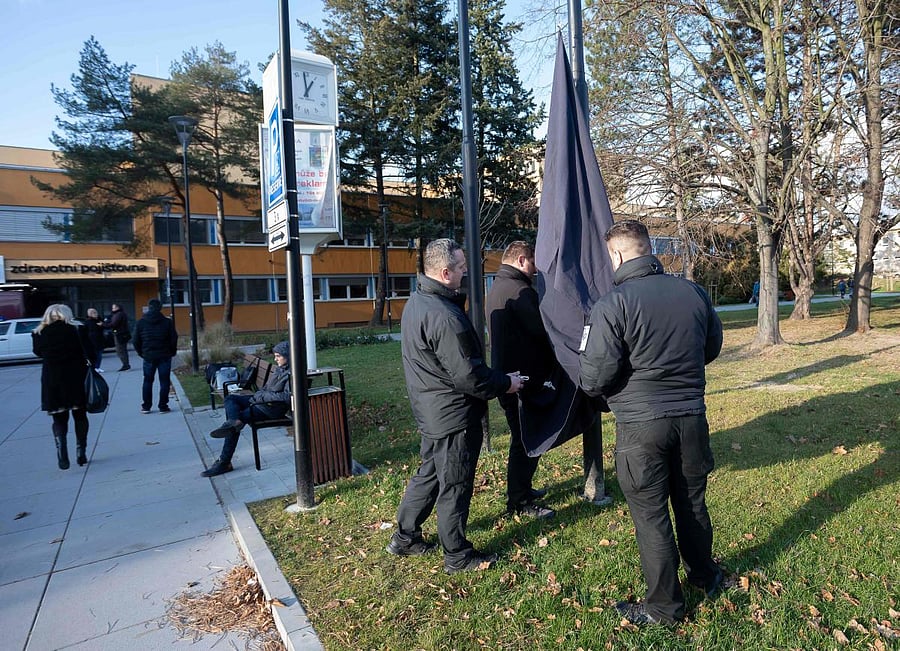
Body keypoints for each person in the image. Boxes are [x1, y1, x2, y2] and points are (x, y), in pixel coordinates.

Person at [579, 220, 724, 626]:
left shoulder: (612, 304)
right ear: (648, 250)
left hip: (642, 426)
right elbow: (710, 345)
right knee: (692, 503)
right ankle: (705, 575)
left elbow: (593, 377)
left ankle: (664, 608)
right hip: (692, 418)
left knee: (651, 515)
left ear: (619, 255)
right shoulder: (693, 292)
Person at [387, 238, 525, 574]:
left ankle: (404, 537)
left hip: (432, 410)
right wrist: (507, 382)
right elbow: (470, 376)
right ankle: (457, 555)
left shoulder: (418, 302)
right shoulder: (445, 316)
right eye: (462, 267)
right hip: (453, 416)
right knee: (455, 483)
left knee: (429, 475)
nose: (467, 272)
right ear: (445, 272)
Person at [486, 241, 556, 519]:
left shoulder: (500, 286)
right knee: (525, 441)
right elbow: (543, 331)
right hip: (520, 381)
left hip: (510, 378)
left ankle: (523, 489)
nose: (536, 269)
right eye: (534, 262)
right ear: (522, 260)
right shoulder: (520, 290)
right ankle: (519, 500)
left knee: (524, 438)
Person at [202, 341, 292, 477]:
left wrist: (261, 396)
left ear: (287, 356)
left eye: (278, 356)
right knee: (231, 399)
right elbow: (267, 388)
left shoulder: (292, 373)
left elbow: (286, 396)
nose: (275, 359)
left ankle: (224, 462)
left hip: (270, 409)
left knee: (238, 421)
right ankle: (234, 421)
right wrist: (260, 395)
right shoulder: (281, 369)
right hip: (261, 402)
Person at [32, 304, 96, 469]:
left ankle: (62, 452)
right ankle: (81, 451)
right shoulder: (77, 330)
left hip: (52, 381)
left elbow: (38, 352)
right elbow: (91, 352)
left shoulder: (39, 332)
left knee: (59, 419)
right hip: (76, 379)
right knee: (80, 416)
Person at [133, 298, 178, 414]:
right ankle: (163, 405)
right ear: (160, 308)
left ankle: (146, 406)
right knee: (164, 381)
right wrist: (172, 351)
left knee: (147, 381)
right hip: (164, 355)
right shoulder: (167, 322)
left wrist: (141, 353)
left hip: (148, 355)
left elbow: (135, 340)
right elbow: (173, 338)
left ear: (149, 307)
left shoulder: (141, 322)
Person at [105, 303, 131, 371]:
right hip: (121, 334)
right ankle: (126, 364)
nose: (112, 309)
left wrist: (104, 325)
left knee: (120, 350)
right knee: (122, 350)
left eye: (114, 308)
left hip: (120, 334)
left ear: (118, 308)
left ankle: (126, 365)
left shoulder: (119, 314)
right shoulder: (117, 314)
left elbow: (114, 324)